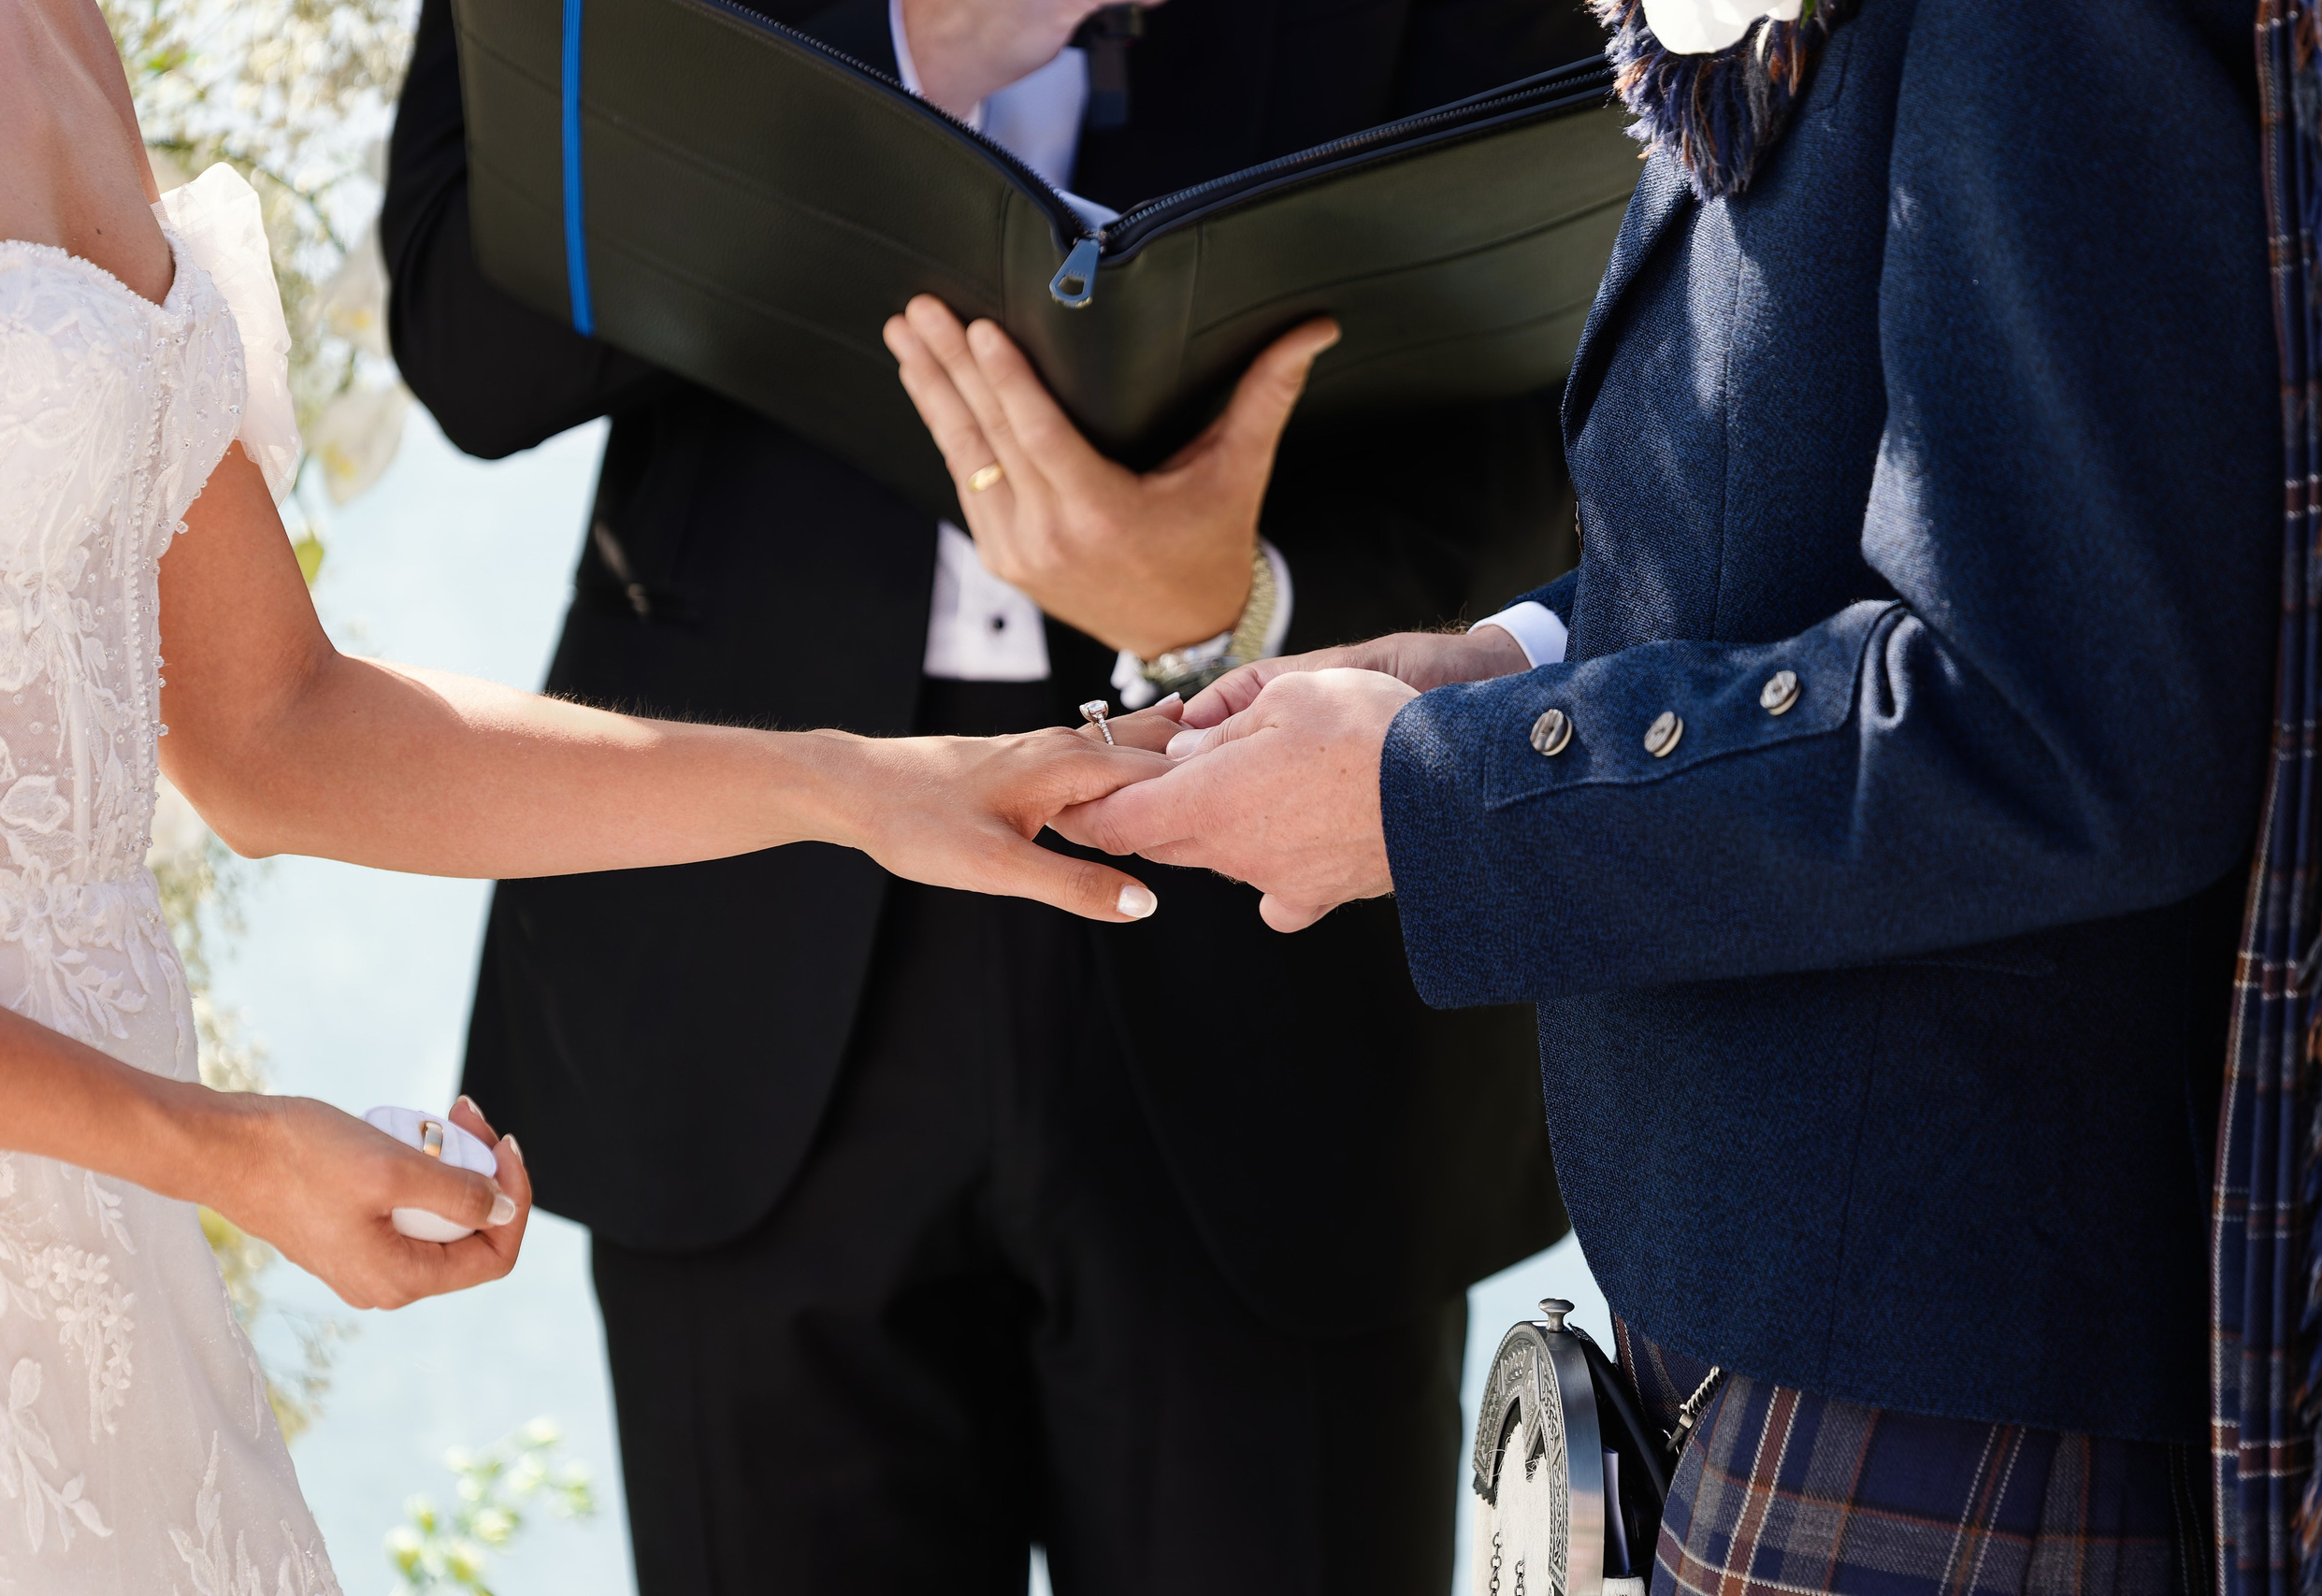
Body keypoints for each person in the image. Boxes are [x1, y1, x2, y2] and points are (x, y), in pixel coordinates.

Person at [897, 0, 2276, 1589]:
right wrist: (1506, 658)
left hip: (1950, 1342)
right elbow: (1806, 509)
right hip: (1773, 1304)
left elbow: (2065, 719)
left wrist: (1436, 792)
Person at [0, 0, 1178, 1584]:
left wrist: (853, 788)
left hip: (107, 1292)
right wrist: (228, 1151)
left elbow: (280, 729)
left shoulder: (51, 30)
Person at [382, 0, 1599, 1589]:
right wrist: (895, 52)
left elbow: (1600, 353)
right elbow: (469, 346)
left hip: (1280, 966)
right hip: (746, 949)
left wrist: (1244, 599)